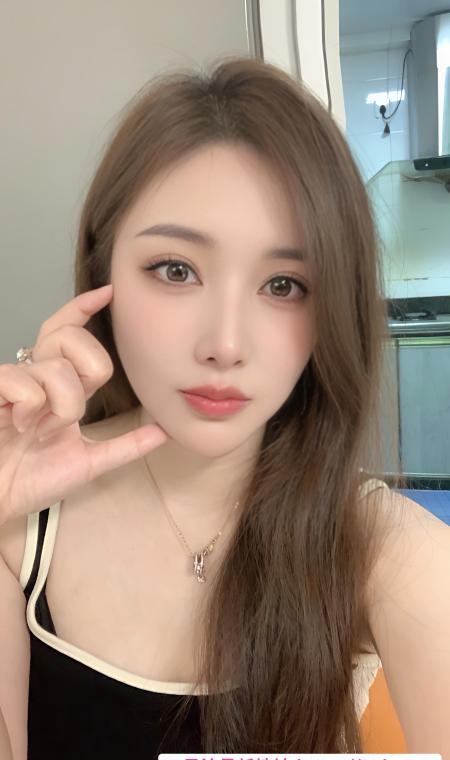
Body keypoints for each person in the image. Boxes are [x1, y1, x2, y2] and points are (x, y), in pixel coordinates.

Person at [0, 54, 449, 760]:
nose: (226, 345)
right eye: (176, 270)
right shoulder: (22, 520)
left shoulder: (384, 548)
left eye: (284, 285)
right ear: (102, 270)